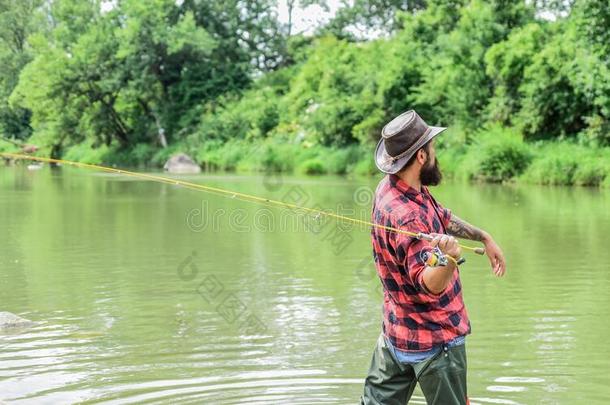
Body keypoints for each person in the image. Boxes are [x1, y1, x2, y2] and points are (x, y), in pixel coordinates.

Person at [360, 110, 506, 405]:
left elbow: (440, 216)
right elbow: (429, 283)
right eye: (432, 147)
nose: (435, 152)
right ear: (422, 157)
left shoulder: (392, 188)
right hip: (437, 343)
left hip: (395, 336)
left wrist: (482, 236)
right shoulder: (408, 216)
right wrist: (449, 259)